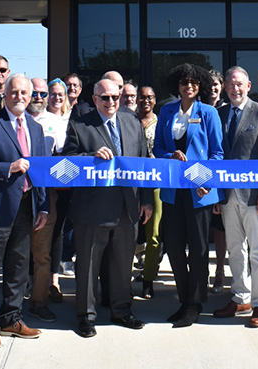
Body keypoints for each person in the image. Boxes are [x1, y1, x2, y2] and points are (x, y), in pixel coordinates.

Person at [63, 79, 154, 338]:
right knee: (88, 266)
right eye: (105, 98)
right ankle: (86, 316)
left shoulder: (132, 122)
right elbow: (66, 162)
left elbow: (143, 163)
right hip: (93, 209)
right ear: (94, 99)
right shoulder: (80, 125)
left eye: (115, 96)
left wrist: (146, 199)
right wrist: (89, 157)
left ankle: (122, 310)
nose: (111, 102)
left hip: (128, 207)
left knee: (123, 265)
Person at [0, 73, 49, 349]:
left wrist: (43, 206)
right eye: (14, 92)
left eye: (25, 93)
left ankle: (11, 318)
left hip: (26, 206)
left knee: (18, 266)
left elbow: (40, 171)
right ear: (5, 95)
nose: (19, 97)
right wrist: (8, 168)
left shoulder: (35, 128)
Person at [153, 63, 224, 328]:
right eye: (184, 82)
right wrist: (169, 156)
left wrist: (207, 180)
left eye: (194, 82)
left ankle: (194, 304)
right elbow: (158, 147)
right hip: (173, 190)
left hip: (199, 191)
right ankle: (184, 300)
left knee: (198, 249)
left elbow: (217, 153)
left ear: (200, 85)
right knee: (173, 246)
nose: (189, 86)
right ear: (177, 85)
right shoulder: (166, 111)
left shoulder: (209, 113)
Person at [213, 67, 258, 328]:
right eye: (230, 84)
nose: (234, 88)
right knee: (235, 250)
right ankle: (241, 297)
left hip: (254, 197)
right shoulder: (219, 114)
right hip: (227, 197)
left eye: (239, 84)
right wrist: (216, 194)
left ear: (249, 86)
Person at [25, 78, 65, 323]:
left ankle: (38, 301)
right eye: (34, 93)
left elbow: (63, 155)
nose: (38, 98)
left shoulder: (55, 122)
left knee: (42, 253)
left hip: (45, 193)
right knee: (15, 252)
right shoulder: (12, 120)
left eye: (43, 93)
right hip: (15, 192)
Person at [46, 77, 73, 298]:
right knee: (40, 232)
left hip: (67, 184)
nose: (56, 98)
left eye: (60, 94)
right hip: (45, 184)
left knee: (58, 232)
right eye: (52, 94)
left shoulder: (73, 120)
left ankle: (54, 280)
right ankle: (34, 280)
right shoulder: (37, 118)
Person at [137, 85, 161, 299]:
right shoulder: (128, 121)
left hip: (155, 183)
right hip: (132, 182)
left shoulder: (161, 123)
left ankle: (148, 279)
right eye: (142, 97)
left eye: (150, 97)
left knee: (154, 235)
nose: (146, 101)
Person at [207, 69, 227, 294]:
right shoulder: (198, 109)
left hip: (221, 176)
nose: (213, 88)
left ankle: (220, 271)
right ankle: (202, 272)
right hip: (199, 177)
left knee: (221, 229)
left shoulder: (226, 110)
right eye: (209, 84)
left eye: (216, 84)